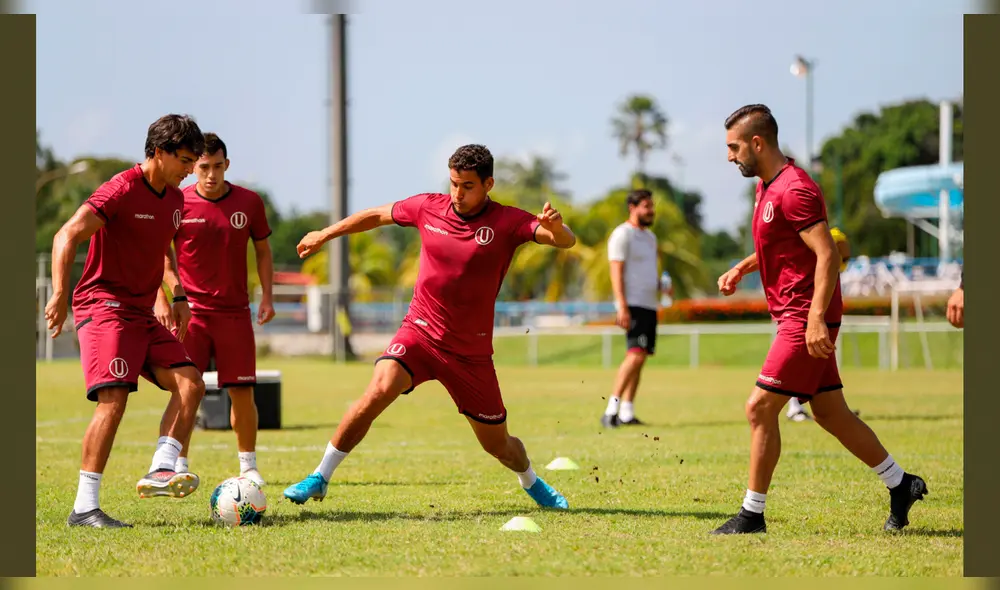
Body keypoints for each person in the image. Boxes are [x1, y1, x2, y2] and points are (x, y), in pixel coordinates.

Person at [282, 144, 574, 510]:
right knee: (378, 389)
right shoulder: (428, 207)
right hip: (419, 333)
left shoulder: (507, 221)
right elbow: (376, 215)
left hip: (470, 355)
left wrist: (557, 229)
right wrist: (325, 234)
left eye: (467, 186)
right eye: (453, 183)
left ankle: (530, 479)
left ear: (488, 185)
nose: (458, 194)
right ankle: (320, 476)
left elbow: (562, 241)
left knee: (498, 446)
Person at [711, 104, 927, 534]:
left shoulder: (795, 188)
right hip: (799, 316)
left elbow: (826, 253)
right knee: (830, 413)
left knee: (759, 408)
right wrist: (742, 268)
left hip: (804, 317)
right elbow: (781, 245)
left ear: (758, 143)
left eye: (734, 148)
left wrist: (813, 322)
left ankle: (751, 515)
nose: (730, 157)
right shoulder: (766, 188)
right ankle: (901, 484)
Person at [44, 115, 208, 528]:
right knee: (114, 399)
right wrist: (61, 293)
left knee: (191, 383)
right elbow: (66, 235)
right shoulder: (120, 190)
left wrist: (178, 293)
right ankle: (84, 507)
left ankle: (161, 467)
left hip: (140, 311)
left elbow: (162, 249)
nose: (190, 170)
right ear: (159, 152)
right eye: (186, 160)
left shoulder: (174, 199)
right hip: (104, 306)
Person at [154, 133, 275, 487]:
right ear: (193, 168)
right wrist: (171, 295)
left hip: (235, 314)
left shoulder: (250, 202)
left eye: (217, 166)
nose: (210, 174)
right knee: (186, 391)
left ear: (227, 165)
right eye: (203, 167)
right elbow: (162, 254)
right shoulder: (178, 201)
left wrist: (267, 296)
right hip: (190, 316)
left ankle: (248, 466)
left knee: (242, 391)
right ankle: (179, 462)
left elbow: (264, 251)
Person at [602, 189, 660, 428]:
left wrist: (661, 287)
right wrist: (621, 306)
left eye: (651, 206)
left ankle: (627, 411)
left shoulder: (650, 238)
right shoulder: (622, 234)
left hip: (649, 304)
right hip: (632, 304)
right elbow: (616, 270)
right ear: (632, 208)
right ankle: (611, 410)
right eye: (646, 206)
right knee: (634, 354)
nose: (650, 211)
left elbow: (648, 271)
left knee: (641, 357)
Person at [786, 226, 852, 422]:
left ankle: (835, 409)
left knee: (816, 365)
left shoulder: (830, 253)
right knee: (795, 364)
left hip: (818, 316)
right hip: (802, 315)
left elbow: (842, 259)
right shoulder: (812, 244)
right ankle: (794, 406)